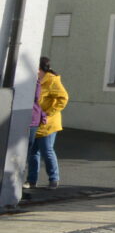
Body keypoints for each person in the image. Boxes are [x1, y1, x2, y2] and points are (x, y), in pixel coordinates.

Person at [28, 57, 68, 190]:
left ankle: (54, 179)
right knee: (33, 152)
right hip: (35, 122)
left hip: (48, 123)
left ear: (39, 69)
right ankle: (31, 181)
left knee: (47, 151)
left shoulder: (52, 80)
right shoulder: (34, 80)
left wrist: (48, 112)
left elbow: (64, 98)